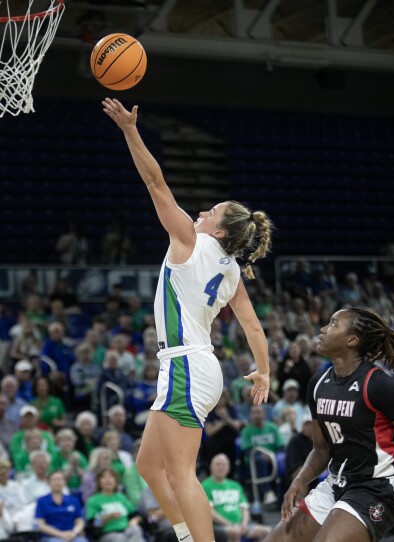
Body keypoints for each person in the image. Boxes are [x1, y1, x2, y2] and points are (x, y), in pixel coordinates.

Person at [102, 97, 273, 542]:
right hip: (194, 366)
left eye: (209, 212)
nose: (200, 212)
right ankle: (184, 534)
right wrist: (264, 371)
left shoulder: (188, 240)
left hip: (186, 364)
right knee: (147, 465)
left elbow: (156, 183)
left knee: (180, 473)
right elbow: (253, 326)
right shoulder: (232, 269)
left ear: (217, 230)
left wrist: (130, 131)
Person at [263, 307, 394, 542]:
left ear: (352, 340)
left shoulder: (379, 385)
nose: (322, 329)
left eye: (333, 324)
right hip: (336, 483)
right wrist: (299, 481)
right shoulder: (318, 384)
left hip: (377, 488)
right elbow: (321, 449)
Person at [202, 453, 272, 542]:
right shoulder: (205, 486)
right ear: (211, 467)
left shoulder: (236, 486)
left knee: (267, 531)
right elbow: (210, 513)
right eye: (218, 464)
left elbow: (244, 509)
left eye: (224, 465)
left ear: (228, 468)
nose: (221, 467)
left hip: (240, 525)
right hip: (218, 526)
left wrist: (244, 524)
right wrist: (230, 524)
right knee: (235, 532)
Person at [35, 471, 87, 542]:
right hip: (51, 536)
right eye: (54, 480)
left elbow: (80, 521)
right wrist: (61, 534)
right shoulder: (42, 501)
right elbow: (41, 525)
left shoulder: (73, 500)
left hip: (72, 535)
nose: (57, 482)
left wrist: (74, 533)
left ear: (65, 482)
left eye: (60, 479)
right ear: (48, 482)